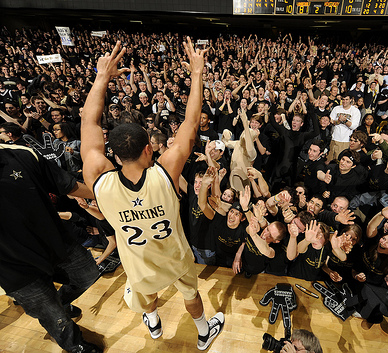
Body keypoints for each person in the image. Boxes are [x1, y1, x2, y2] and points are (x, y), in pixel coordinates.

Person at [80, 39, 224, 350]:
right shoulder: (164, 173)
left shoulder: (98, 180)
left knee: (145, 296)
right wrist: (197, 73)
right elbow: (189, 123)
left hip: (137, 264)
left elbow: (88, 122)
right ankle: (203, 333)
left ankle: (155, 325)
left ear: (114, 154)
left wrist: (101, 76)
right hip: (174, 257)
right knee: (191, 294)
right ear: (150, 149)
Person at [0, 144, 101, 353]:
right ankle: (75, 345)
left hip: (56, 242)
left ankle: (60, 303)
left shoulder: (21, 154)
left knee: (88, 274)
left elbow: (67, 184)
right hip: (12, 265)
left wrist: (107, 195)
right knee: (52, 315)